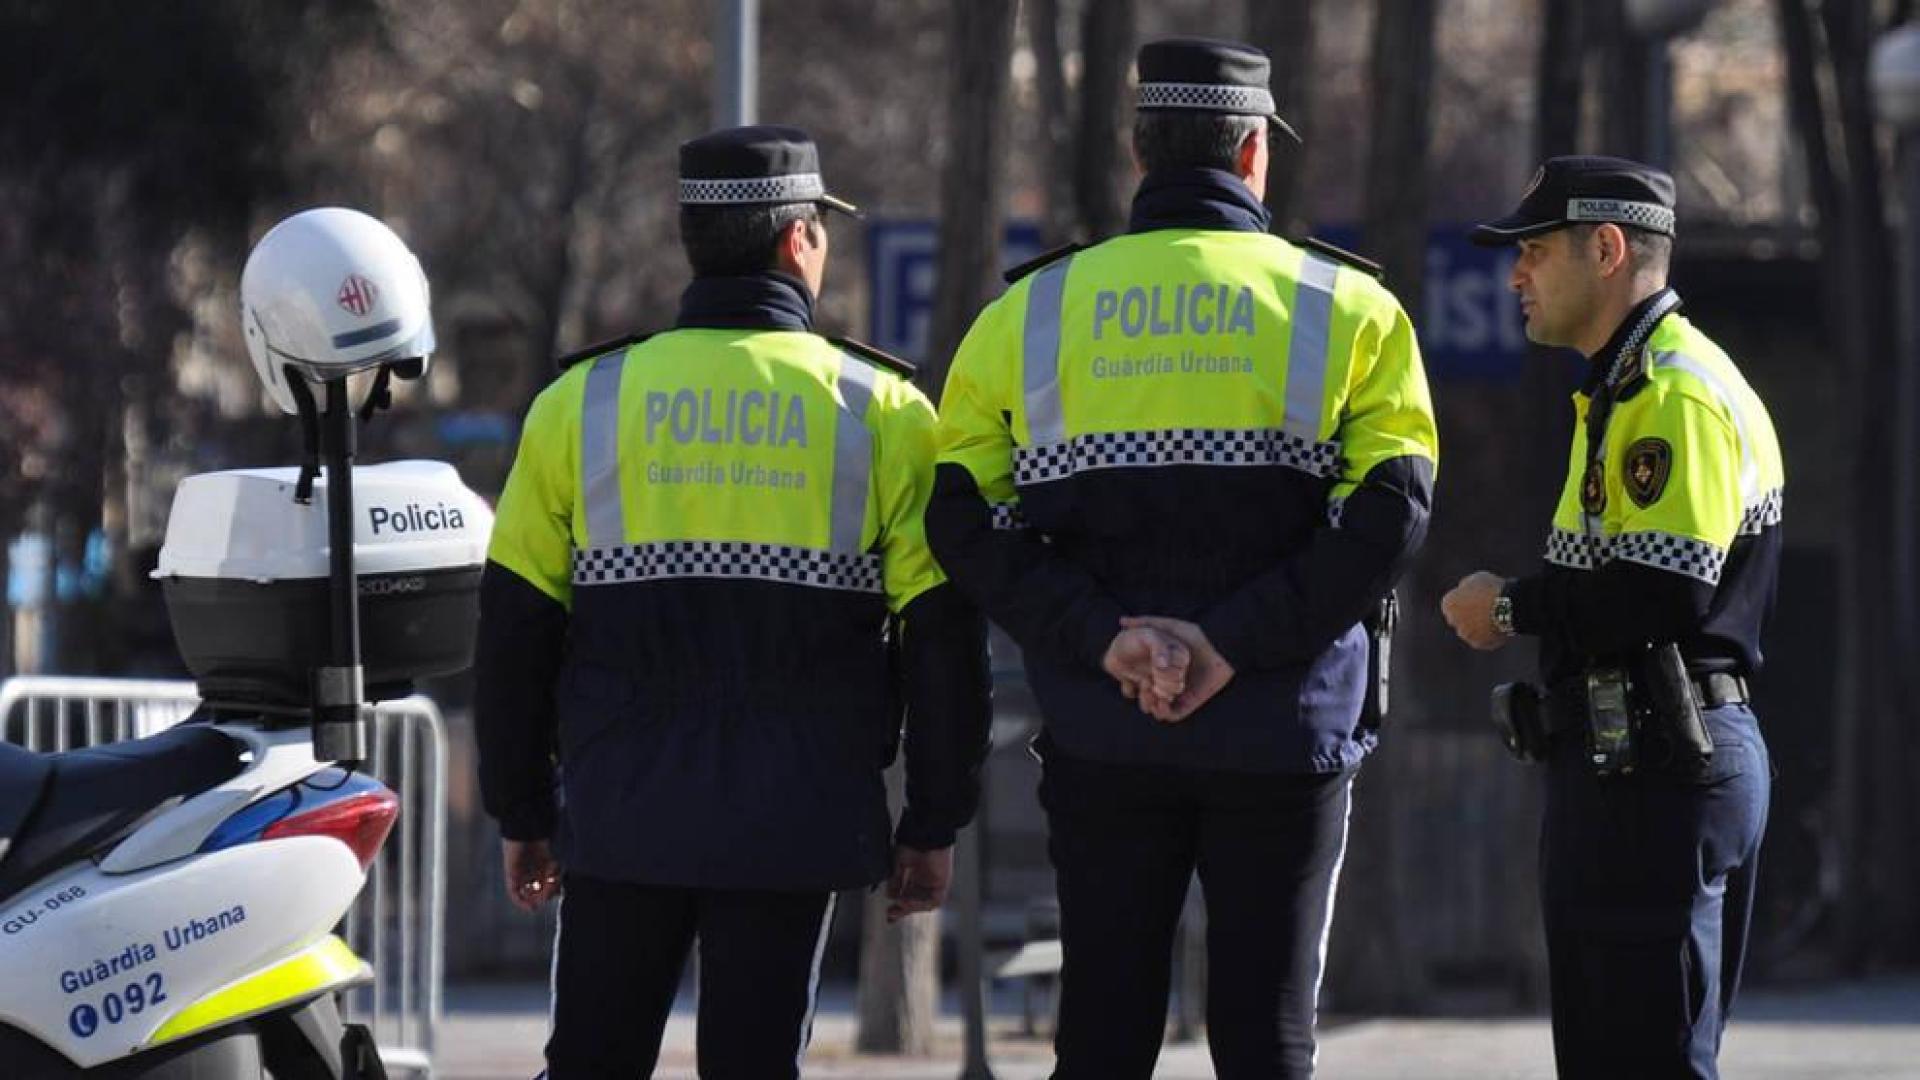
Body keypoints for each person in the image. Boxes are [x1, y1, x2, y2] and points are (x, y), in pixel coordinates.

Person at [927, 37, 1438, 1079]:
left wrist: (1105, 639)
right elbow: (1390, 514)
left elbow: (962, 521)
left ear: (1138, 151)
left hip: (1104, 733)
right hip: (1284, 732)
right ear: (1253, 153)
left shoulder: (1026, 315)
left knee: (1104, 1032)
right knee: (1269, 1036)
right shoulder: (1351, 312)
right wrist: (1230, 645)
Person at [472, 125, 991, 1079]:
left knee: (590, 1063)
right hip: (796, 818)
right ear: (799, 240)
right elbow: (941, 637)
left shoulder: (581, 403)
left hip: (623, 812)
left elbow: (513, 628)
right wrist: (932, 817)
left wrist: (521, 808)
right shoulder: (881, 412)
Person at [1440, 155, 1781, 1079]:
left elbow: (1662, 594)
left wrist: (1507, 606)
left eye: (1535, 252)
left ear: (1606, 247)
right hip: (1631, 765)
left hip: (1661, 770)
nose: (1516, 275)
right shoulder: (1624, 388)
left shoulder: (1671, 391)